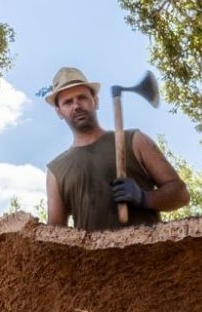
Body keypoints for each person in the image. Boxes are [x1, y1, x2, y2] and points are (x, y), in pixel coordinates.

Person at [42, 66, 188, 230]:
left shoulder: (135, 141)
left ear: (95, 101)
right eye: (67, 102)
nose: (76, 106)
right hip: (93, 255)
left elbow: (181, 194)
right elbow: (54, 231)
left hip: (146, 252)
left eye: (82, 97)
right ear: (59, 112)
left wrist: (144, 197)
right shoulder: (56, 170)